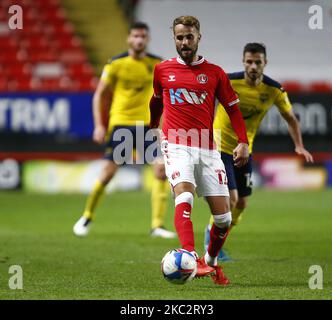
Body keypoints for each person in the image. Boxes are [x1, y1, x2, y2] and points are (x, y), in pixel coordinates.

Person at [149, 15, 249, 285]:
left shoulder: (215, 73)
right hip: (176, 142)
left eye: (189, 36)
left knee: (224, 218)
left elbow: (232, 109)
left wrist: (243, 141)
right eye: (179, 37)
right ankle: (189, 254)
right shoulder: (162, 70)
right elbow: (156, 101)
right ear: (174, 38)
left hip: (207, 148)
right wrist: (151, 126)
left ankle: (211, 262)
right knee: (184, 193)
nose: (184, 42)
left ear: (198, 37)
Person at [204, 42, 314, 260]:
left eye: (258, 62)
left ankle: (218, 237)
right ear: (243, 62)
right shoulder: (228, 80)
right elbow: (206, 99)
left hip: (246, 150)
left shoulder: (273, 90)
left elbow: (291, 118)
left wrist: (299, 145)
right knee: (232, 199)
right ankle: (211, 239)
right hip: (220, 148)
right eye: (249, 62)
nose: (253, 66)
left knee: (242, 203)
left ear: (265, 63)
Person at [73, 22, 176, 239]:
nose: (139, 40)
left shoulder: (157, 64)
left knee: (160, 170)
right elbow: (99, 94)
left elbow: (165, 98)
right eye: (136, 36)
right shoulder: (115, 63)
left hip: (148, 125)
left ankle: (157, 225)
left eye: (143, 36)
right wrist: (100, 125)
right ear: (129, 38)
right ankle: (87, 216)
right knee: (108, 173)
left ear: (147, 40)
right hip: (121, 123)